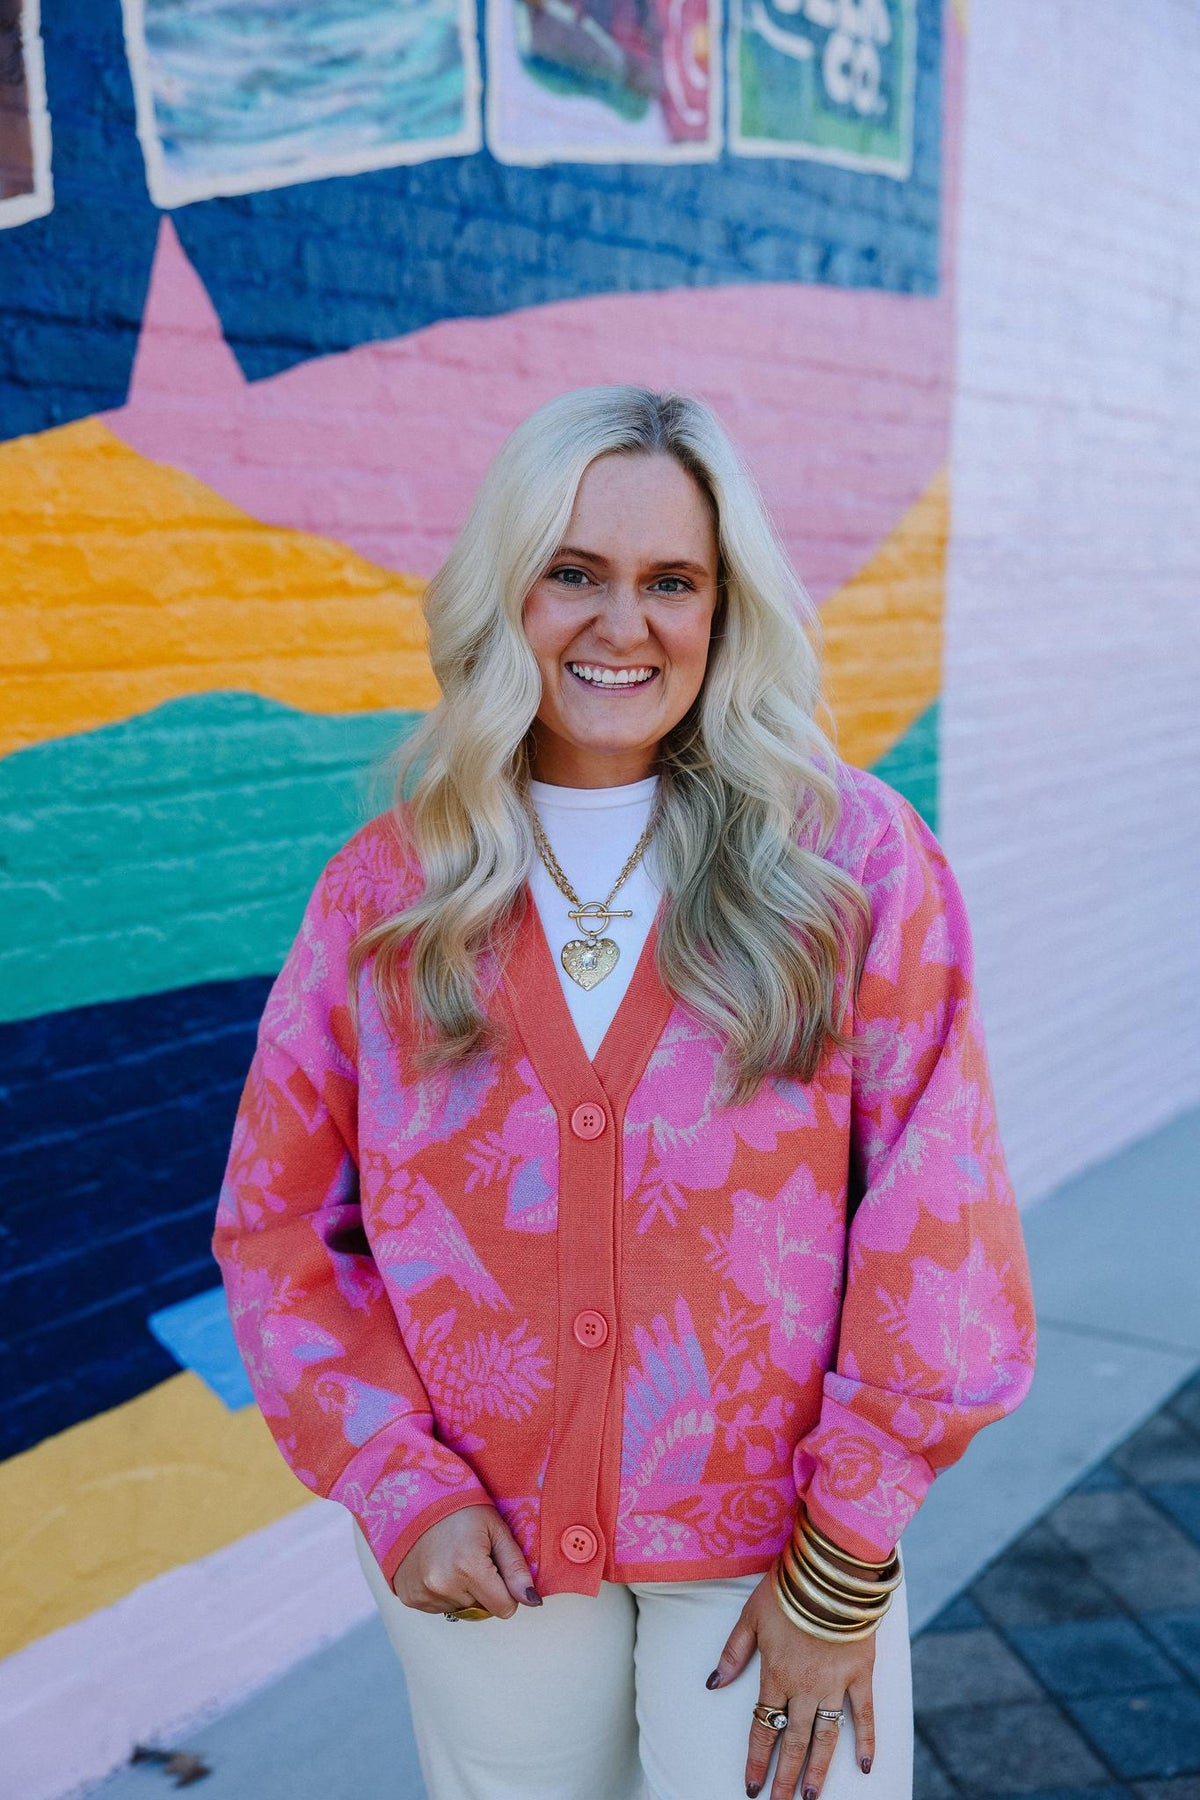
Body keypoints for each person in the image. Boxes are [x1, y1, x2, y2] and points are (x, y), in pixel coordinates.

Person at [213, 385, 1036, 1800]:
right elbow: (281, 1230)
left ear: (726, 610)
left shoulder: (851, 866)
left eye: (673, 582)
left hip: (784, 1545)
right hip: (488, 1552)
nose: (622, 624)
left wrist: (846, 1562)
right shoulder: (387, 895)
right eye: (572, 574)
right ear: (503, 592)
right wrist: (398, 1488)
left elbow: (938, 1211)